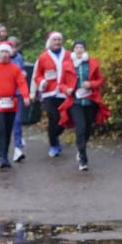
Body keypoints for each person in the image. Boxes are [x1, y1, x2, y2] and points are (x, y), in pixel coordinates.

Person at [57, 39, 110, 171]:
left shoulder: (92, 63)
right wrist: (66, 89)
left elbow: (100, 80)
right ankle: (83, 158)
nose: (79, 50)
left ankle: (81, 148)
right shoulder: (67, 65)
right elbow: (61, 84)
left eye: (81, 47)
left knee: (87, 128)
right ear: (73, 50)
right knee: (80, 128)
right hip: (75, 102)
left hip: (90, 101)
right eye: (76, 48)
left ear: (85, 49)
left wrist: (91, 84)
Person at [0, 42, 30, 169]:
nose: (4, 54)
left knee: (8, 130)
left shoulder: (14, 68)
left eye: (7, 52)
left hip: (11, 103)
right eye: (2, 52)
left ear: (10, 54)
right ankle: (2, 157)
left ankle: (5, 156)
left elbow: (22, 83)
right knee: (1, 128)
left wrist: (25, 96)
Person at [31, 31, 68, 157]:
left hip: (64, 92)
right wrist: (42, 82)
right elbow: (37, 75)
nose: (57, 42)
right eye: (55, 40)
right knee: (53, 118)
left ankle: (53, 135)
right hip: (49, 93)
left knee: (64, 120)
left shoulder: (68, 55)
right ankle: (54, 145)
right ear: (50, 42)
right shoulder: (43, 57)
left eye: (59, 40)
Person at [8, 36, 27, 162]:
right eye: (10, 46)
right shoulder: (0, 60)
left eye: (15, 46)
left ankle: (18, 148)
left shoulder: (19, 58)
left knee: (17, 121)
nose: (13, 49)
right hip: (4, 96)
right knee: (4, 123)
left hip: (18, 93)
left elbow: (22, 71)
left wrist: (23, 73)